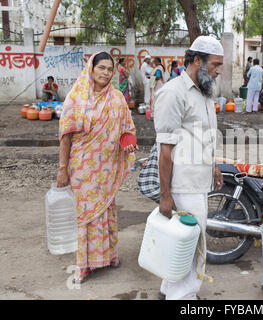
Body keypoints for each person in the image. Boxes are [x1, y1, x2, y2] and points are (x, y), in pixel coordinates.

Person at [57, 52, 138, 284]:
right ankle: (84, 265)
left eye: (109, 69)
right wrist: (62, 168)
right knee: (86, 215)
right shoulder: (77, 97)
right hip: (82, 166)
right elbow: (65, 136)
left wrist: (129, 144)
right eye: (101, 68)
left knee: (106, 210)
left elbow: (126, 129)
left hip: (107, 166)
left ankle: (110, 256)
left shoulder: (117, 99)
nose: (105, 73)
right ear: (91, 69)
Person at [154, 35, 224, 300]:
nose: (218, 71)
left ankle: (168, 291)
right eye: (215, 65)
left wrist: (214, 166)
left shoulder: (205, 93)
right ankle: (183, 298)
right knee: (193, 243)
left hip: (200, 179)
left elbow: (203, 137)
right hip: (183, 183)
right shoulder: (173, 93)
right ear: (197, 60)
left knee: (185, 241)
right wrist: (165, 194)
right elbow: (165, 149)